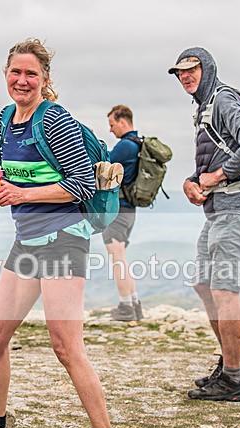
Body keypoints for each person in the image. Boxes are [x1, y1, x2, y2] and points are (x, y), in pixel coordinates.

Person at [0, 38, 128, 428]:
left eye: (31, 74)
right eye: (15, 72)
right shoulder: (6, 120)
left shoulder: (56, 122)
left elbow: (81, 185)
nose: (22, 80)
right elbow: (13, 176)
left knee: (65, 346)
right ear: (5, 76)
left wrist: (23, 193)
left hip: (64, 241)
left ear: (45, 80)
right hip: (27, 242)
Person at [169, 47, 240, 402]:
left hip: (239, 204)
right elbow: (212, 160)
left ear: (206, 68)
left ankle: (232, 380)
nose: (185, 77)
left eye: (191, 69)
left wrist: (215, 177)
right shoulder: (204, 107)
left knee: (224, 290)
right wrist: (193, 182)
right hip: (219, 207)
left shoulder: (223, 99)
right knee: (204, 284)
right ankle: (232, 363)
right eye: (180, 73)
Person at [102, 105, 143, 321]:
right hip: (130, 210)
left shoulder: (124, 146)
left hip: (118, 209)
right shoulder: (138, 144)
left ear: (123, 121)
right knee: (122, 258)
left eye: (112, 124)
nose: (110, 130)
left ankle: (126, 307)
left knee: (117, 259)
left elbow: (102, 167)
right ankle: (135, 304)